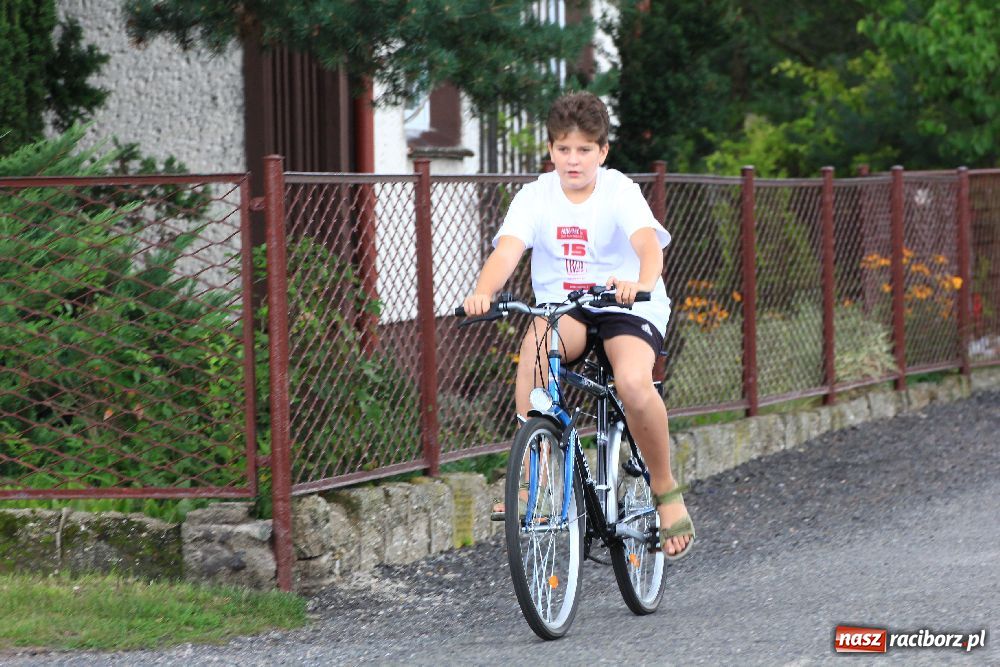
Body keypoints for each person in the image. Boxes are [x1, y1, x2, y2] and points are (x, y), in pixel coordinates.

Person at [462, 91, 694, 559]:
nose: (573, 160)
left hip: (626, 303)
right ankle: (534, 474)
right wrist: (482, 290)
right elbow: (507, 250)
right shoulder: (535, 196)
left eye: (585, 149)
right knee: (536, 343)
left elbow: (649, 246)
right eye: (564, 149)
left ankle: (666, 491)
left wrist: (640, 282)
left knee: (631, 382)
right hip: (567, 307)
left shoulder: (619, 190)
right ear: (550, 150)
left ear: (602, 152)